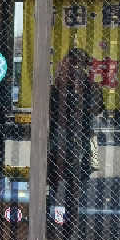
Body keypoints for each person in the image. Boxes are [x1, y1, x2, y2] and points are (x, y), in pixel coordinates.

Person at [47, 48, 103, 230]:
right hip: (62, 143)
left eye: (79, 66)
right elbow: (53, 112)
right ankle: (59, 223)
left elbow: (97, 108)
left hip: (78, 142)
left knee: (72, 188)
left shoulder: (88, 87)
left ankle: (67, 225)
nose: (75, 70)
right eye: (71, 64)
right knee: (59, 187)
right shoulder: (58, 88)